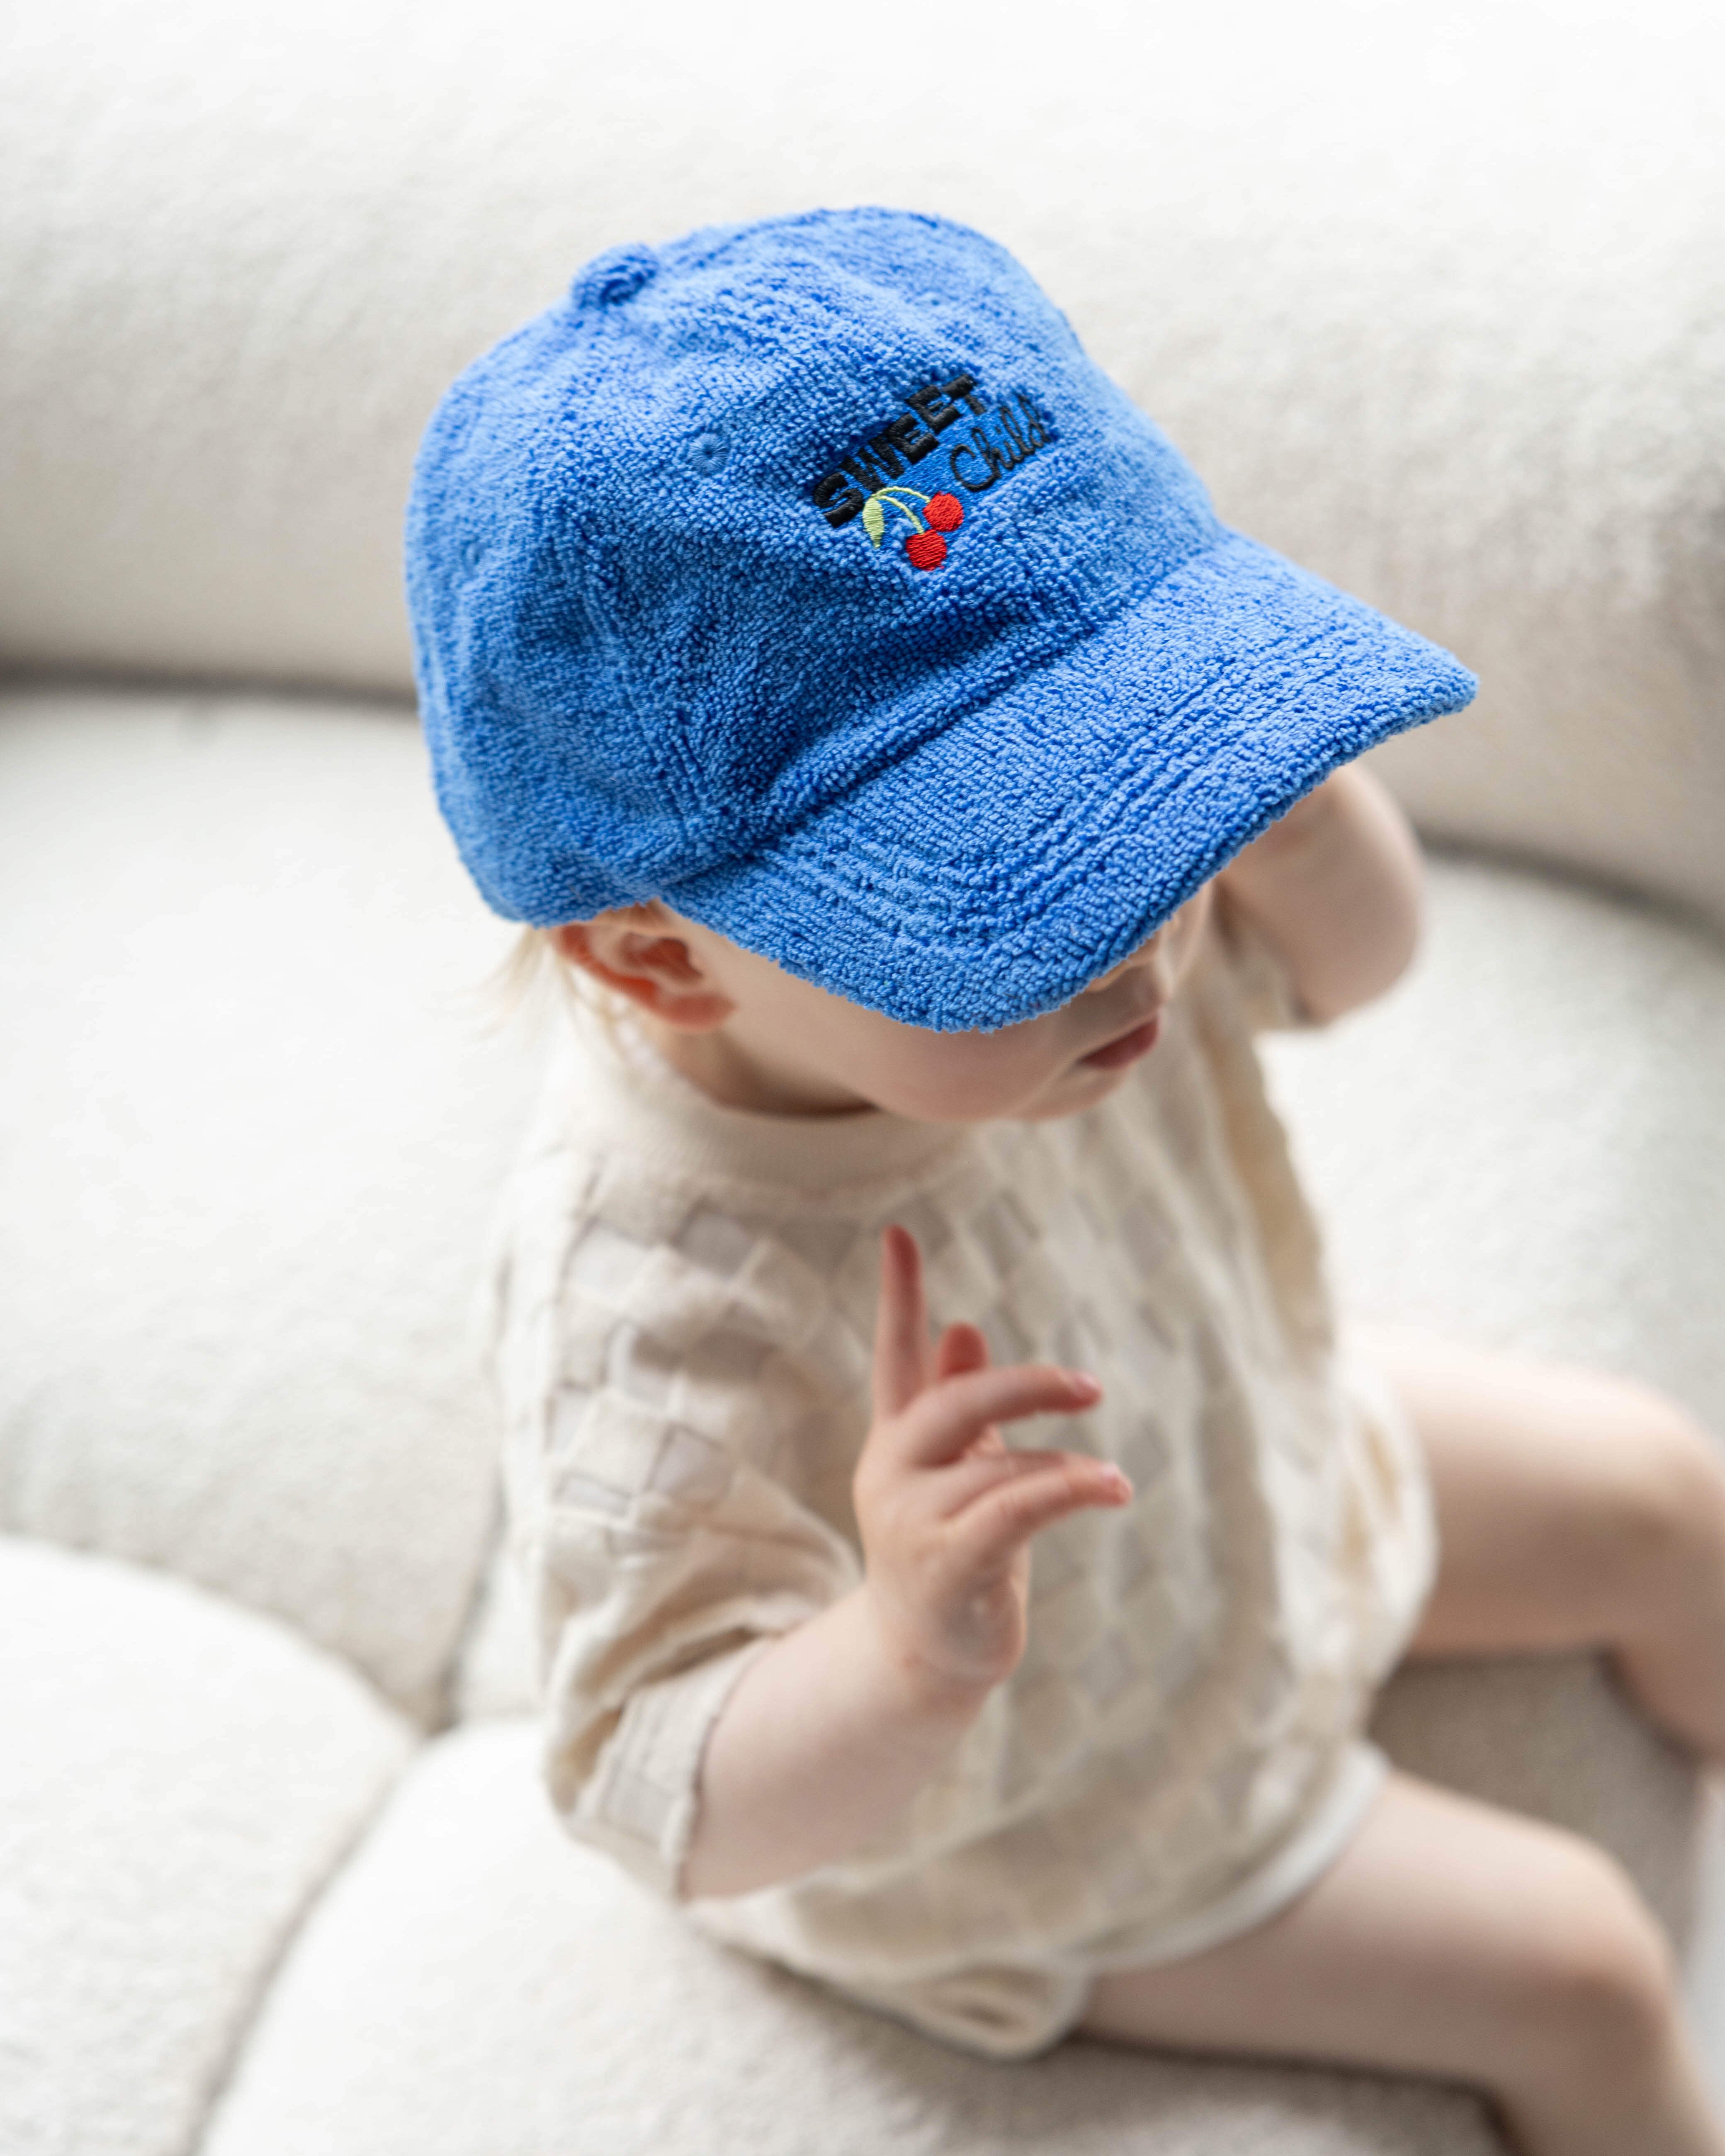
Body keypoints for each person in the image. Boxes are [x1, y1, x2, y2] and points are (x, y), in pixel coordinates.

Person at [406, 207, 1725, 2156]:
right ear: (661, 957)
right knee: (1582, 1965)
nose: (1149, 942)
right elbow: (651, 1786)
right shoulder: (654, 1278)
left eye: (1139, 804)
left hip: (1256, 1448)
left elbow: (1356, 971)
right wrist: (899, 1649)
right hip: (1050, 1793)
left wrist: (1260, 789)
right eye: (1017, 891)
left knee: (1661, 1494)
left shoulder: (1111, 951)